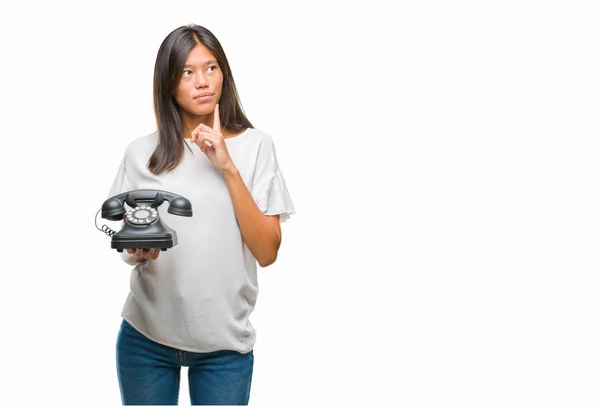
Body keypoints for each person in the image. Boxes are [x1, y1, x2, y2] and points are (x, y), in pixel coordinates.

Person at [106, 24, 295, 405]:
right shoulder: (141, 152)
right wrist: (137, 250)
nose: (203, 82)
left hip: (224, 347)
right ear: (168, 83)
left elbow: (267, 252)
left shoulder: (257, 146)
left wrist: (227, 167)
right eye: (187, 72)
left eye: (211, 68)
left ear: (224, 73)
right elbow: (125, 242)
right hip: (146, 339)